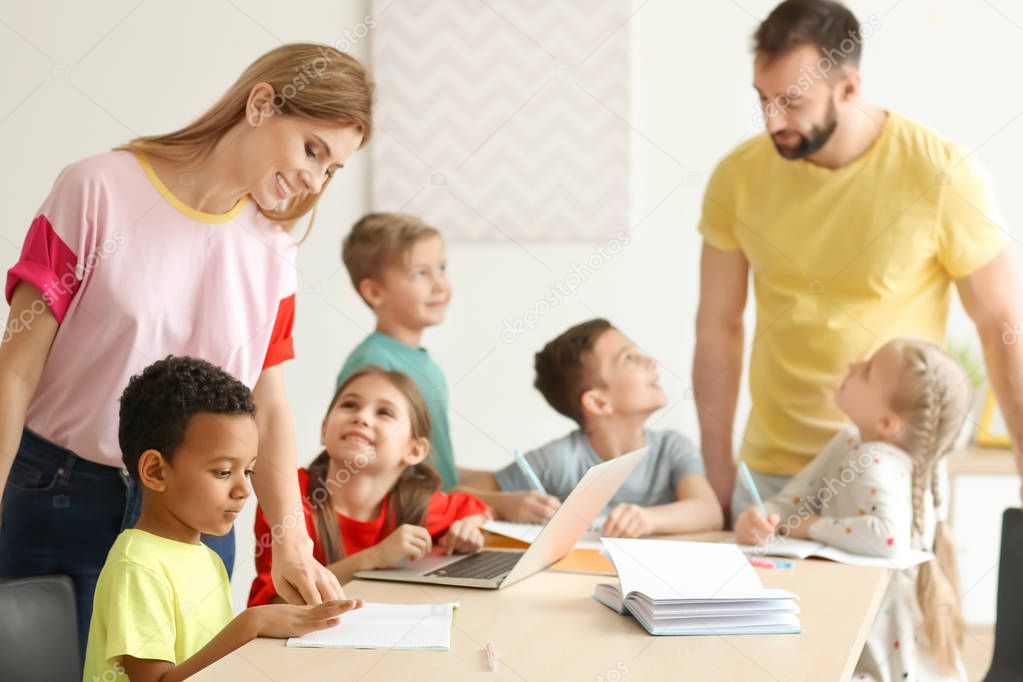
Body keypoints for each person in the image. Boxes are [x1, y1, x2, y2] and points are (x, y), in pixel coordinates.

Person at [0, 42, 372, 658]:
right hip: (59, 496)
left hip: (195, 517)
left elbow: (268, 403)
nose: (315, 178)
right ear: (260, 104)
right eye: (312, 148)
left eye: (332, 168)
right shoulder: (96, 189)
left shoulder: (275, 250)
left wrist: (291, 540)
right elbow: (15, 368)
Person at [692, 0, 1022, 523]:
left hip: (888, 476)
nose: (772, 119)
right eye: (763, 98)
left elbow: (1001, 323)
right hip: (770, 477)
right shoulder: (738, 176)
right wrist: (716, 472)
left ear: (848, 87)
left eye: (792, 101)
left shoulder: (940, 173)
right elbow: (717, 327)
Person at [83, 356, 361, 682]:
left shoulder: (208, 559)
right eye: (224, 472)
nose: (244, 489)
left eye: (249, 471)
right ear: (156, 471)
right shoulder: (138, 567)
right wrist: (250, 625)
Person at [736, 338, 970, 680]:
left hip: (877, 653)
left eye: (868, 371)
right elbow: (790, 504)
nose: (852, 367)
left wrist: (808, 526)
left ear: (888, 423)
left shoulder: (871, 460)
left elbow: (888, 539)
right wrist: (759, 519)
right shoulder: (849, 444)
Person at [249, 365, 491, 604]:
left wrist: (467, 528)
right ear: (324, 430)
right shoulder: (288, 495)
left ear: (415, 450)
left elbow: (475, 509)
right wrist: (373, 558)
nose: (361, 417)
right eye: (349, 405)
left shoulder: (414, 500)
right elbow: (273, 604)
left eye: (384, 412)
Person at [462, 319, 723, 536]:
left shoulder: (672, 448)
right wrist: (508, 503)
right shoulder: (559, 460)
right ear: (598, 402)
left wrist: (647, 519)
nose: (651, 361)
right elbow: (455, 494)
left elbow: (709, 512)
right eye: (629, 359)